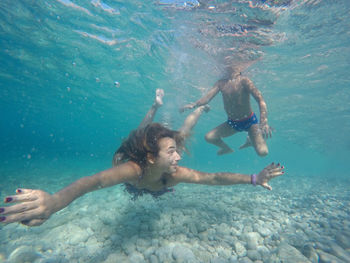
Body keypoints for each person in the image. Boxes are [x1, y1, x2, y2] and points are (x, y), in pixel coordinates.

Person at [0, 91, 284, 227]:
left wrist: (254, 178)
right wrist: (54, 202)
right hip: (140, 168)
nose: (178, 156)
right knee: (138, 134)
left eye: (175, 151)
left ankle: (200, 109)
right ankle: (154, 107)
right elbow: (92, 182)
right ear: (151, 157)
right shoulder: (132, 169)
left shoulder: (173, 173)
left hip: (155, 177)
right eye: (170, 152)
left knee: (183, 134)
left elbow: (211, 178)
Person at [180, 65, 273, 156]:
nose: (228, 66)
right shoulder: (221, 83)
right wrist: (194, 105)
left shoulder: (244, 80)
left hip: (250, 122)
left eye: (232, 64)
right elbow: (207, 98)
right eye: (226, 64)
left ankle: (251, 139)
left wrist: (264, 122)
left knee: (263, 152)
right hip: (232, 123)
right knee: (209, 137)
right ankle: (226, 148)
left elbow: (261, 100)